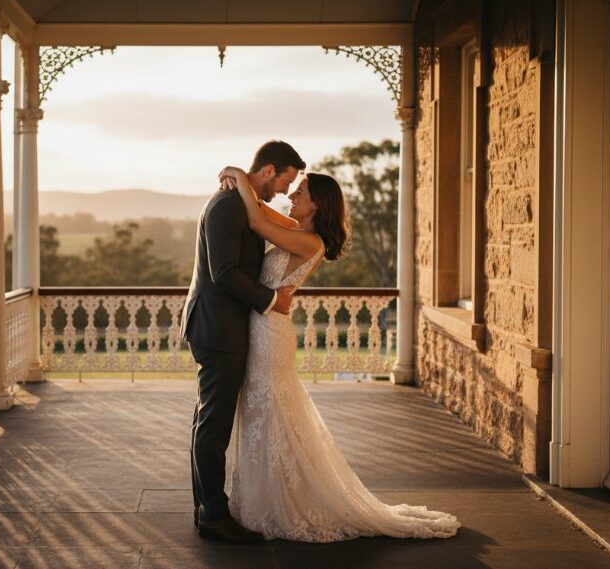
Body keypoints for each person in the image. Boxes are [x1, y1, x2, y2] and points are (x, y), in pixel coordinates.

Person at [215, 164, 460, 542]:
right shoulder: (297, 230)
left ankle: (283, 504)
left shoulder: (309, 242)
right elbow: (260, 211)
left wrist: (237, 174)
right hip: (263, 324)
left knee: (269, 410)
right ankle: (263, 499)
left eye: (299, 193)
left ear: (316, 205)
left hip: (269, 333)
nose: (290, 196)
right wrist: (241, 181)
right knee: (262, 411)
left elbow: (257, 221)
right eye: (291, 190)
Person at [181, 140, 306, 543]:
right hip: (218, 329)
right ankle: (214, 515)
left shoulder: (242, 201)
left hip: (226, 327)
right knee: (214, 423)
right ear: (269, 170)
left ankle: (207, 508)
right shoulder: (227, 205)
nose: (285, 193)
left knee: (209, 419)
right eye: (285, 181)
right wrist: (272, 299)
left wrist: (236, 172)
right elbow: (223, 272)